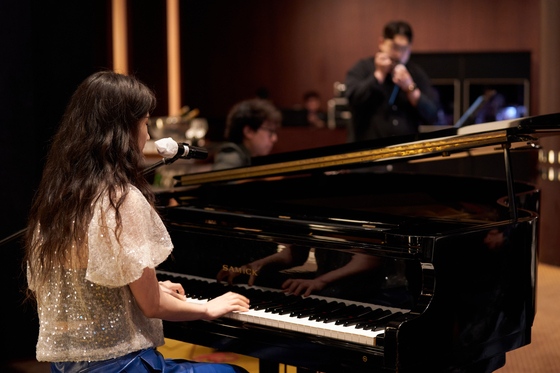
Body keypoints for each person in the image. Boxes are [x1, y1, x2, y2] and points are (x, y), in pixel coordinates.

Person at [24, 71, 250, 373]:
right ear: (123, 130)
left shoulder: (56, 199)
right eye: (145, 123)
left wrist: (149, 287)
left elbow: (89, 286)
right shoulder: (119, 200)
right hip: (122, 366)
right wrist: (207, 307)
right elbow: (153, 306)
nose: (147, 136)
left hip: (67, 367)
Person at [345, 20, 440, 142]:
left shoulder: (415, 73)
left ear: (410, 48)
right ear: (381, 43)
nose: (399, 54)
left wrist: (410, 87)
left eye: (404, 49)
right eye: (395, 47)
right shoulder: (362, 67)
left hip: (406, 154)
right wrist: (378, 75)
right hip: (368, 154)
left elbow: (433, 116)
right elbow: (352, 101)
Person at [213, 98, 281, 170]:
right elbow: (219, 180)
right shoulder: (231, 156)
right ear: (248, 131)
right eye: (270, 131)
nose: (274, 138)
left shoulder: (248, 157)